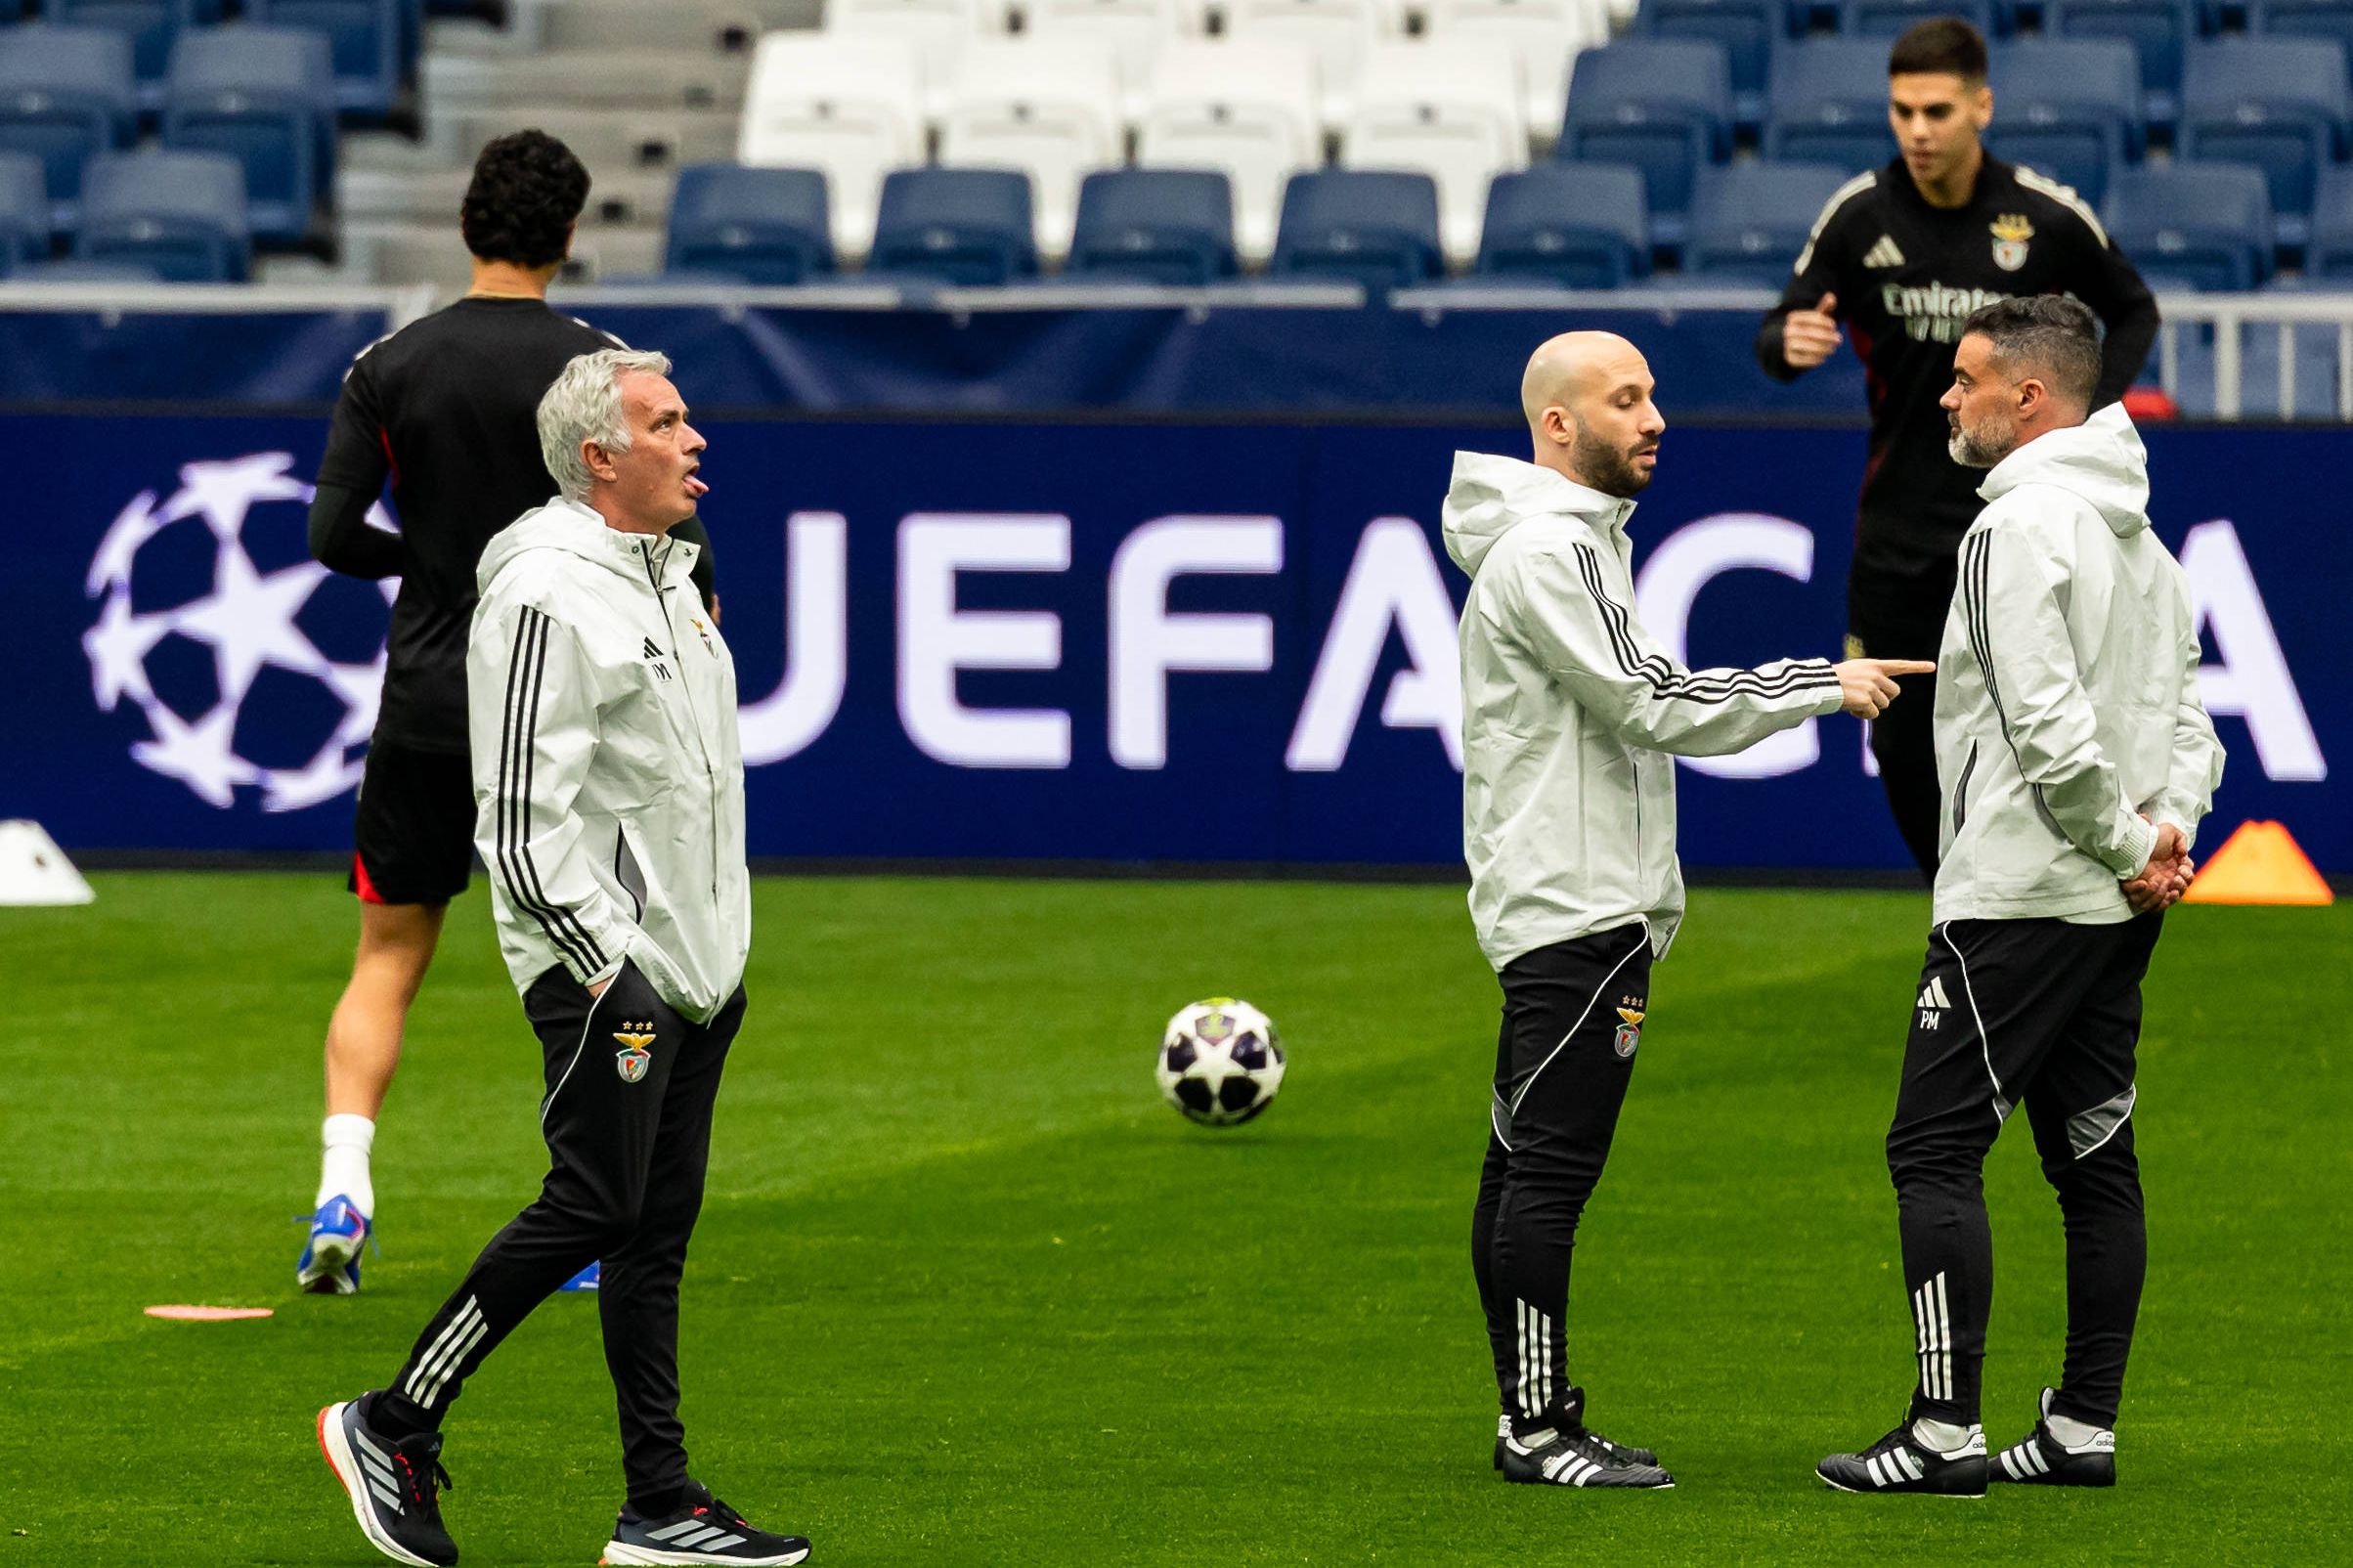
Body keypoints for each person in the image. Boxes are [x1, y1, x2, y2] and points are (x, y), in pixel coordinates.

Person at [318, 349, 806, 1568]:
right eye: (666, 420)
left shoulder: (674, 575)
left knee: (651, 1229)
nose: (695, 437)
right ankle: (389, 1418)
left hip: (699, 963)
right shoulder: (543, 589)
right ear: (601, 456)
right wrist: (609, 962)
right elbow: (518, 817)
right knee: (593, 1202)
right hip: (607, 970)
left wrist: (714, 950)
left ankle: (660, 1505)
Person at [1446, 330, 1935, 1490]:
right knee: (1544, 1176)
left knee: (1520, 1167)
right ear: (1557, 425)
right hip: (1575, 904)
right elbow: (1650, 701)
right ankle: (1534, 1428)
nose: (1655, 415)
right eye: (1625, 400)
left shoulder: (1565, 546)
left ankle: (1536, 1411)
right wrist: (1817, 681)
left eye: (1655, 393)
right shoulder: (1548, 554)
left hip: (1566, 893)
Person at [298, 129, 717, 1294]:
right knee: (591, 954)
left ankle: (343, 1188)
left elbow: (329, 535)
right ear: (570, 235)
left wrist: (434, 568)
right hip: (561, 705)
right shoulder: (601, 369)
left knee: (387, 955)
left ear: (468, 224)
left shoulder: (389, 362)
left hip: (429, 699)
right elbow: (674, 533)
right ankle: (586, 1212)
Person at [1816, 297, 2223, 1498]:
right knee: (2094, 1156)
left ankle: (1942, 1432)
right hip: (2112, 908)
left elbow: (2046, 727)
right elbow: (2189, 721)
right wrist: (2164, 837)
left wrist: (2117, 840)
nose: (1945, 395)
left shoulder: (2010, 532)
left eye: (1965, 377)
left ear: (2030, 399)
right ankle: (2081, 1424)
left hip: (2022, 892)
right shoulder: (2148, 547)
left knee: (1931, 1147)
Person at [1756, 18, 2159, 882]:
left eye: (1936, 110)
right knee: (1900, 745)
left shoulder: (2044, 218)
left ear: (1980, 105)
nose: (1917, 130)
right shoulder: (1859, 215)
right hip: (1898, 533)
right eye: (1901, 111)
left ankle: (2033, 898)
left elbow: (2132, 309)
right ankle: (1955, 890)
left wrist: (2082, 415)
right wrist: (1782, 341)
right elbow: (1782, 323)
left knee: (2039, 719)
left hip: (2022, 526)